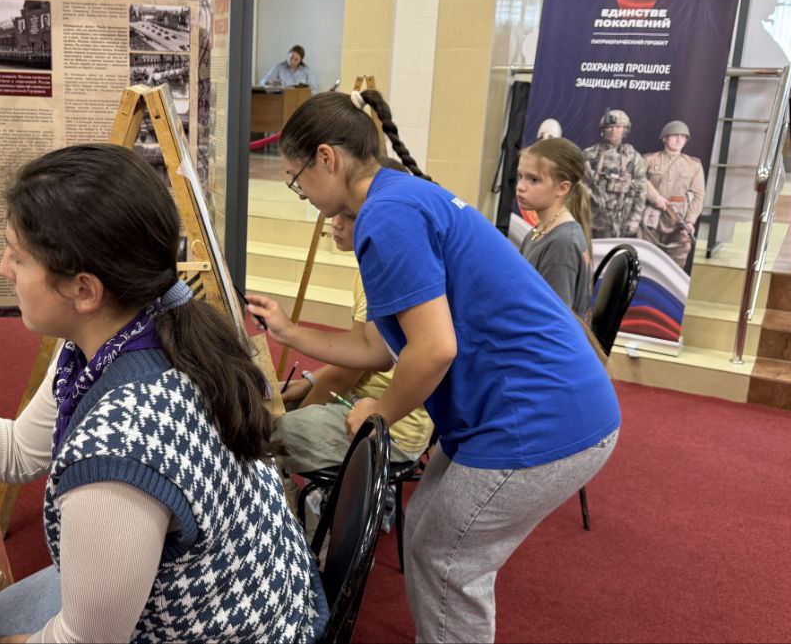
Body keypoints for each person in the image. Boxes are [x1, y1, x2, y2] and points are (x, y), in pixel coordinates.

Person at [0, 144, 327, 644]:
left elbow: (84, 643)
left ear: (85, 291)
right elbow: (20, 450)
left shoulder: (117, 450)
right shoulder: (146, 323)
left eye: (18, 257)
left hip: (247, 624)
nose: (4, 268)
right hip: (259, 592)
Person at [246, 90, 619, 643]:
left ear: (328, 159)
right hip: (526, 405)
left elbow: (435, 349)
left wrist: (382, 410)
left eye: (297, 179)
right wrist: (291, 332)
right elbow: (382, 347)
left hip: (543, 418)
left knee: (449, 560)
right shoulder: (398, 197)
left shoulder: (386, 216)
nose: (302, 193)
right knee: (426, 530)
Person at [273, 208, 436, 476]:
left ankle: (289, 508)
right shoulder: (384, 261)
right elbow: (359, 359)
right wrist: (310, 382)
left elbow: (348, 373)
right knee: (281, 401)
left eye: (348, 216)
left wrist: (299, 413)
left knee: (273, 430)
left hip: (394, 429)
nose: (334, 224)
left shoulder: (379, 270)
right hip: (387, 408)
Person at [516, 137, 595, 317]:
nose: (520, 187)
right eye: (520, 176)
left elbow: (553, 321)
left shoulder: (562, 243)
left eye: (533, 180)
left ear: (562, 188)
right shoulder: (540, 230)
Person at [641, 120, 705, 269]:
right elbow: (638, 180)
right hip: (650, 220)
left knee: (674, 267)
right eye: (674, 136)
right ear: (664, 138)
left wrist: (690, 221)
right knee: (644, 262)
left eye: (683, 137)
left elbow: (698, 195)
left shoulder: (693, 165)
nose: (678, 140)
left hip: (677, 220)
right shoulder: (649, 159)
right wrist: (655, 197)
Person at [583, 109, 647, 239]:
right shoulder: (589, 155)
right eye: (610, 127)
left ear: (625, 130)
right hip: (591, 219)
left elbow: (641, 189)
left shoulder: (633, 157)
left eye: (618, 127)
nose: (613, 131)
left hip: (621, 221)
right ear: (603, 130)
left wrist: (635, 219)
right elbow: (576, 184)